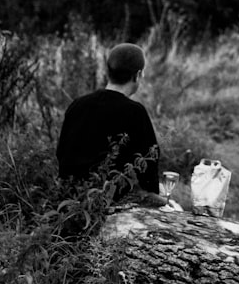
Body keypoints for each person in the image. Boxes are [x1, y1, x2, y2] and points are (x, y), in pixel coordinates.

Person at [57, 42, 163, 202]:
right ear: (138, 75)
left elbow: (61, 153)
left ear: (108, 72)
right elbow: (148, 167)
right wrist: (157, 196)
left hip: (68, 198)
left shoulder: (78, 105)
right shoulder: (135, 112)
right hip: (106, 201)